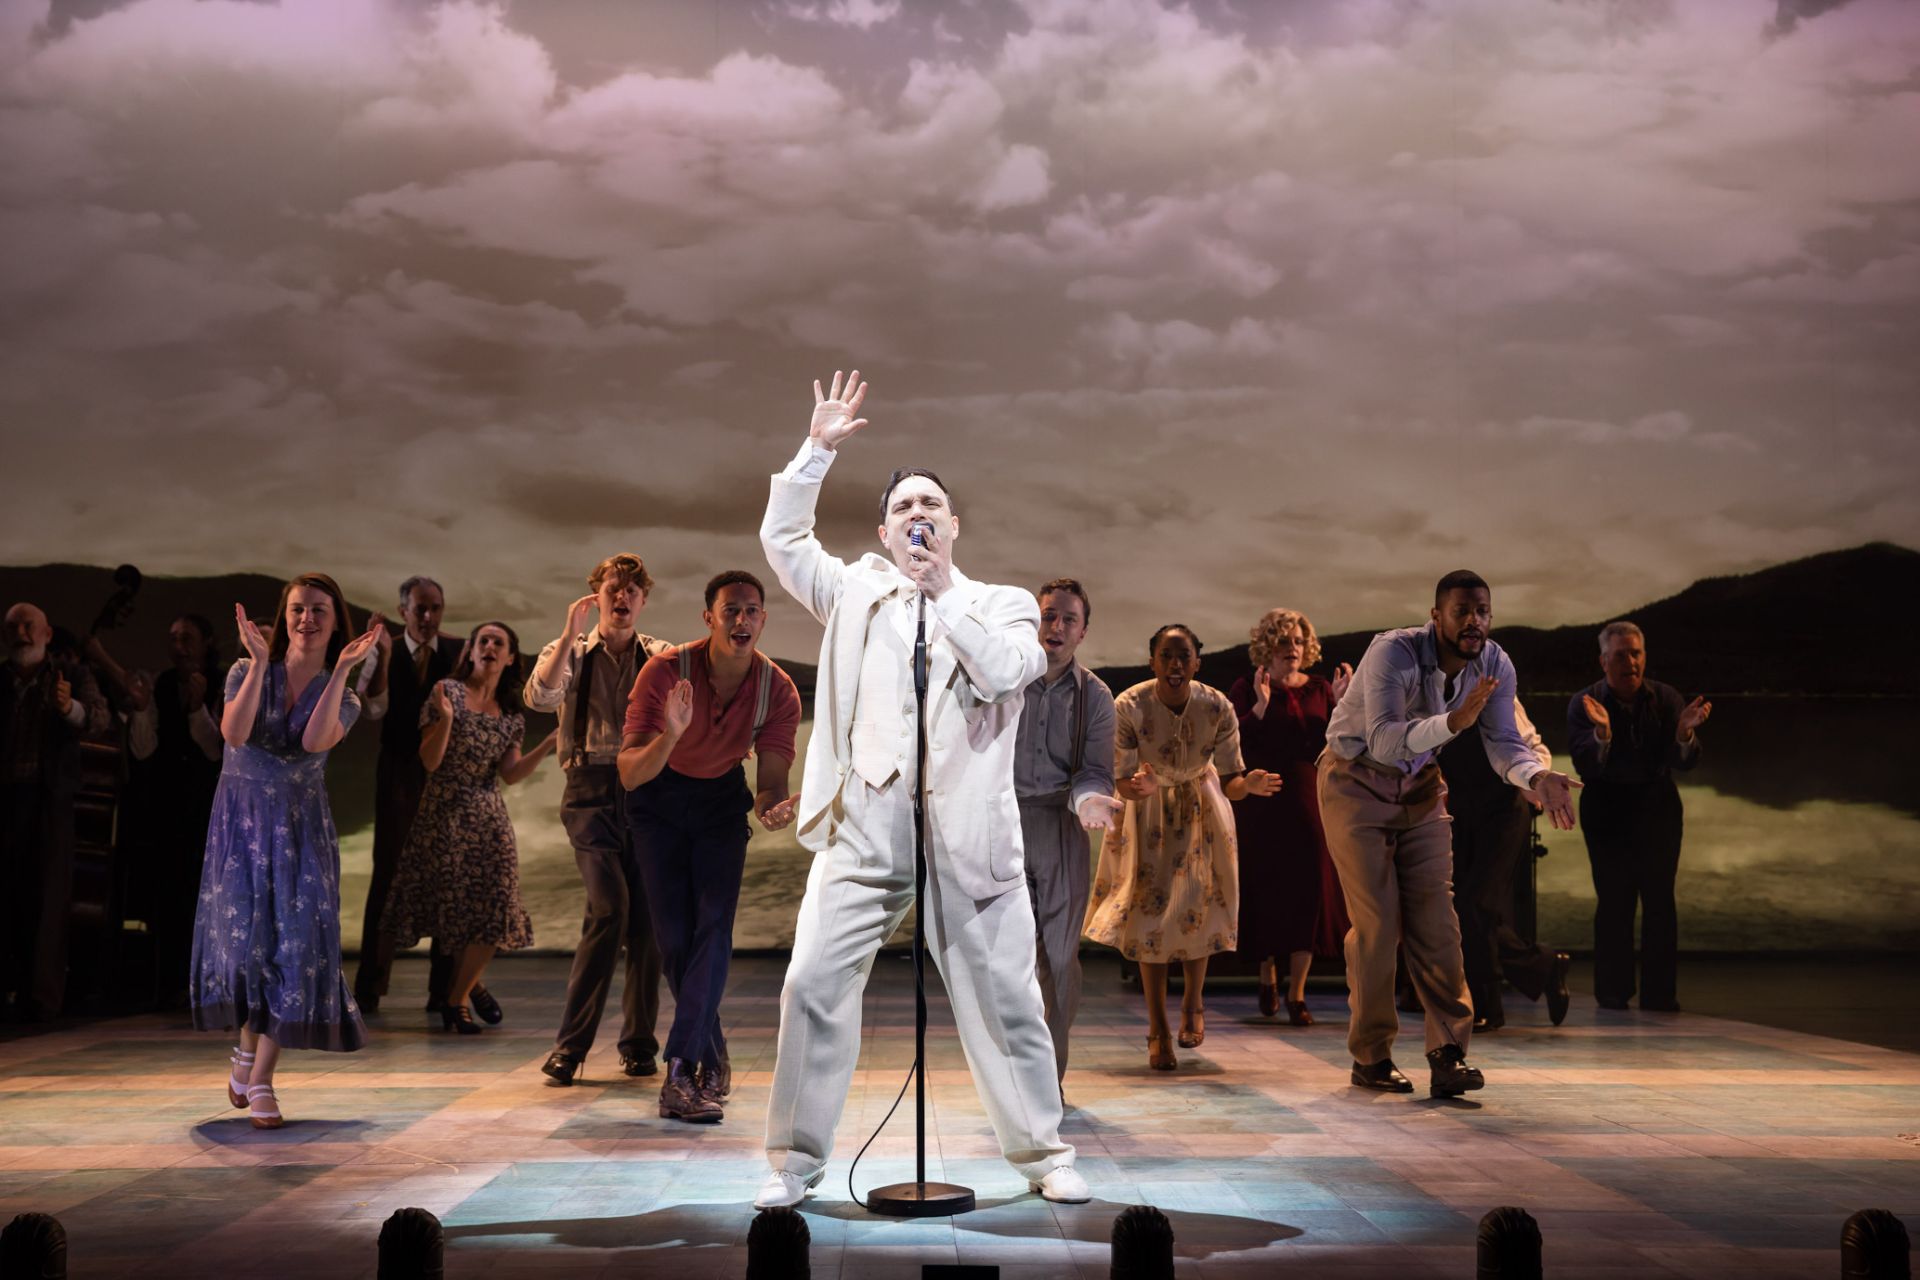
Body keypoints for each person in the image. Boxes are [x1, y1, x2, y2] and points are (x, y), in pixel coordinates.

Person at [754, 370, 1086, 1209]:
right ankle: (792, 1164)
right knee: (811, 984)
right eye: (903, 507)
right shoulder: (854, 592)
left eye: (930, 505)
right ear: (883, 529)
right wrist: (815, 451)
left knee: (1008, 1001)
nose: (917, 516)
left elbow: (1010, 670)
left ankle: (1044, 1155)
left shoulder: (1001, 604)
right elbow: (784, 540)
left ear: (954, 525)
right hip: (867, 828)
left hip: (969, 836)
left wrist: (944, 595)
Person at [1319, 570, 1580, 1099]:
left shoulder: (1495, 663)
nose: (1473, 621)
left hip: (1421, 786)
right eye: (1461, 611)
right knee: (1378, 924)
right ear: (1436, 616)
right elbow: (1384, 740)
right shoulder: (1393, 652)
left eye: (1482, 611)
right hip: (1356, 780)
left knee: (1439, 922)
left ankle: (1448, 1053)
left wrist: (1536, 778)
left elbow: (1504, 742)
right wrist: (1454, 722)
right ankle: (1371, 1056)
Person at [191, 574, 381, 1128]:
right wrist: (256, 664)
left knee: (294, 950)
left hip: (300, 831)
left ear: (336, 622)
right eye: (298, 609)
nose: (306, 619)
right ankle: (246, 1051)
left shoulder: (345, 695)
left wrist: (341, 670)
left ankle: (262, 1078)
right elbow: (234, 733)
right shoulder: (244, 671)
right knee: (247, 951)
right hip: (242, 826)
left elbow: (313, 741)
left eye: (319, 610)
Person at [619, 570, 803, 1123]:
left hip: (720, 804)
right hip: (656, 801)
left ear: (763, 619)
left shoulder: (777, 690)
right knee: (675, 941)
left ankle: (680, 1072)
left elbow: (769, 786)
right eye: (731, 610)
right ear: (709, 618)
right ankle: (713, 1049)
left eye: (752, 610)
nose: (741, 620)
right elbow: (630, 773)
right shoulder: (664, 671)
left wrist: (773, 809)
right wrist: (672, 733)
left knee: (714, 928)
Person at [1084, 624, 1279, 1070]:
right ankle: (1157, 1029)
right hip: (1148, 811)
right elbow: (1120, 779)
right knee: (1149, 917)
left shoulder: (1216, 705)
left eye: (1184, 656)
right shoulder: (1129, 705)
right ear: (1152, 661)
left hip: (1202, 808)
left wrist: (1248, 784)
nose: (1175, 664)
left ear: (1197, 663)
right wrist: (1139, 787)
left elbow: (1231, 780)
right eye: (1167, 656)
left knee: (1199, 907)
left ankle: (1193, 1004)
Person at [526, 554, 672, 1085]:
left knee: (646, 922)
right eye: (614, 586)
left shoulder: (660, 655)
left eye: (633, 589)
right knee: (610, 907)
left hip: (646, 791)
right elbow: (540, 696)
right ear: (597, 594)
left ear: (643, 600)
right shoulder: (569, 652)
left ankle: (637, 1044)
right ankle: (571, 1046)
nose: (623, 596)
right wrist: (570, 633)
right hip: (588, 791)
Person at [382, 623, 556, 1034]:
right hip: (444, 813)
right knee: (456, 911)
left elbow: (510, 774)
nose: (490, 646)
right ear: (472, 652)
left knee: (497, 905)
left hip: (489, 817)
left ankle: (457, 997)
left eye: (499, 642)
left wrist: (549, 744)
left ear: (510, 657)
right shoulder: (448, 692)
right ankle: (467, 989)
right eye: (483, 641)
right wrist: (445, 720)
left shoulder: (511, 713)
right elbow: (430, 761)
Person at [1567, 621, 1710, 1012]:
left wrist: (1684, 735)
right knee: (1614, 899)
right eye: (1620, 655)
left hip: (1657, 805)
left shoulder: (1666, 698)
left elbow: (1684, 762)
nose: (1629, 662)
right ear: (1603, 661)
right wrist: (1602, 734)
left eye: (1636, 654)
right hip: (1605, 805)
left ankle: (1659, 995)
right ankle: (1613, 994)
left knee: (1660, 900)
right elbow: (1585, 765)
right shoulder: (1584, 702)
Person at [1013, 578, 1119, 1085]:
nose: (1055, 626)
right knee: (1010, 958)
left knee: (1059, 958)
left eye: (1068, 619)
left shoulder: (1095, 696)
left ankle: (1047, 1075)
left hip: (1061, 823)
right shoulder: (1004, 680)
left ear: (1082, 632)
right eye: (1048, 615)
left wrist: (1090, 800)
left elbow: (1094, 771)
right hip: (1004, 824)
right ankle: (1013, 1071)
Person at [1226, 607, 1353, 1027]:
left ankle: (1297, 993)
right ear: (1268, 646)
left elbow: (1337, 741)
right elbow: (1231, 743)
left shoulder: (1319, 687)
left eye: (1298, 641)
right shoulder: (1247, 687)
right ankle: (1267, 975)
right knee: (1265, 887)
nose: (1292, 649)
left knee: (1310, 888)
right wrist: (1261, 707)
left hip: (1309, 797)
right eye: (1284, 641)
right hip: (1263, 800)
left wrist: (1342, 704)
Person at [353, 576, 464, 1018]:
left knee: (448, 878)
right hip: (399, 770)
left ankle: (445, 992)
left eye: (435, 607)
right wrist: (380, 656)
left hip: (446, 776)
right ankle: (370, 985)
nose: (428, 616)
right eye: (420, 608)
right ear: (403, 612)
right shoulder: (387, 650)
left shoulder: (458, 651)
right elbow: (371, 708)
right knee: (389, 874)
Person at [1, 602, 109, 1021]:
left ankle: (41, 1000)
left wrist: (68, 708)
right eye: (13, 627)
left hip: (49, 800)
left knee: (48, 900)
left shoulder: (72, 675)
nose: (21, 634)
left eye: (29, 626)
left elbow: (98, 719)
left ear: (47, 634)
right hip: (6, 799)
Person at [1440, 696, 1571, 1030]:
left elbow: (1533, 745)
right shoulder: (1428, 692)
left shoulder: (1494, 693)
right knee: (1461, 910)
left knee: (1477, 904)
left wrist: (1537, 781)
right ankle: (1543, 966)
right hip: (1459, 814)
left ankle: (1487, 1006)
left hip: (1502, 813)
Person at [124, 614, 226, 1006]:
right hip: (168, 805)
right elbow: (144, 750)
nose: (179, 646)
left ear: (206, 642)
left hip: (207, 807)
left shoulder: (222, 682)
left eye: (187, 638)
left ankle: (206, 982)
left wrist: (198, 708)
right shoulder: (163, 683)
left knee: (205, 895)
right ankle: (168, 983)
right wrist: (140, 709)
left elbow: (217, 751)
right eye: (173, 638)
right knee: (168, 893)